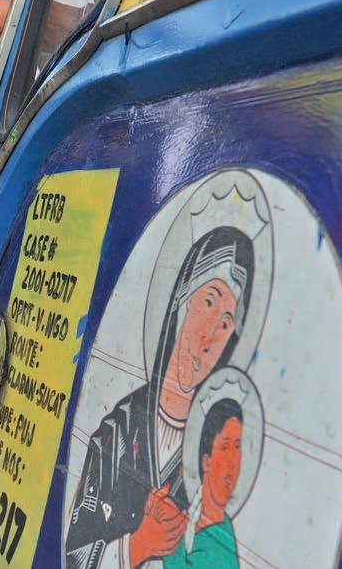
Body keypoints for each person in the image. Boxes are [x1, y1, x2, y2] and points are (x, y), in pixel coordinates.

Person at [64, 227, 255, 569]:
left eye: (226, 324)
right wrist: (137, 546)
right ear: (181, 301)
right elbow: (73, 554)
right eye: (208, 302)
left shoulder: (211, 451)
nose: (209, 338)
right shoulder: (117, 434)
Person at [164, 398, 244, 569]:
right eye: (225, 447)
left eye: (237, 447)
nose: (233, 461)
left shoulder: (223, 540)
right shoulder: (191, 516)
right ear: (206, 461)